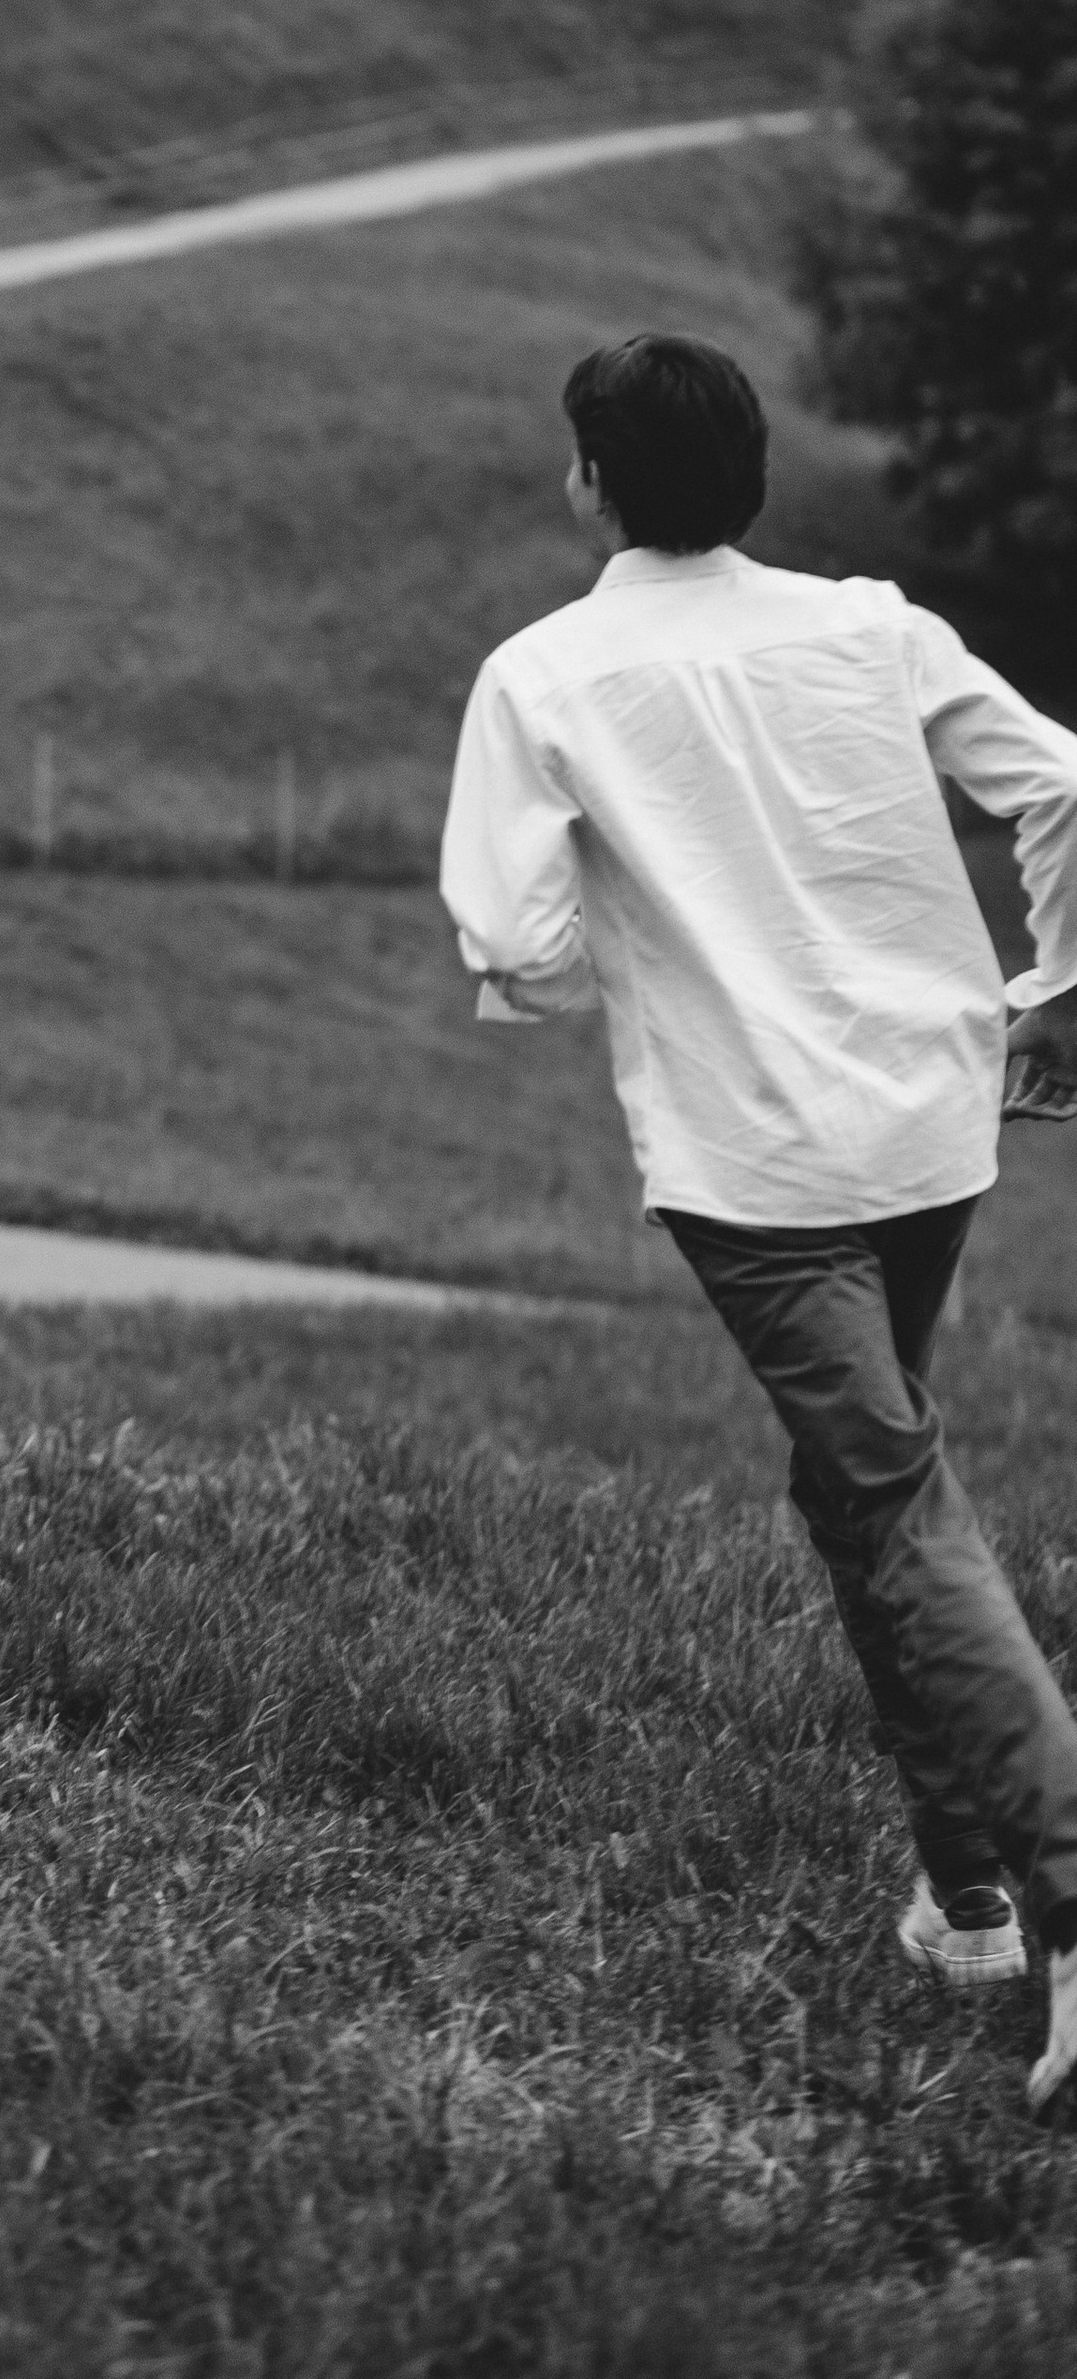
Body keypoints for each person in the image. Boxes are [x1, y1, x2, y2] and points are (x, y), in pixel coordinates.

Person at [441, 332, 1077, 2114]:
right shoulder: (870, 624)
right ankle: (965, 1904)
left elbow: (518, 945)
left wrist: (632, 928)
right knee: (859, 1482)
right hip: (934, 1126)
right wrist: (1059, 985)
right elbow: (1066, 783)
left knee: (890, 1495)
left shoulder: (542, 676)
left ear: (592, 479)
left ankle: (1063, 1886)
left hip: (760, 1166)